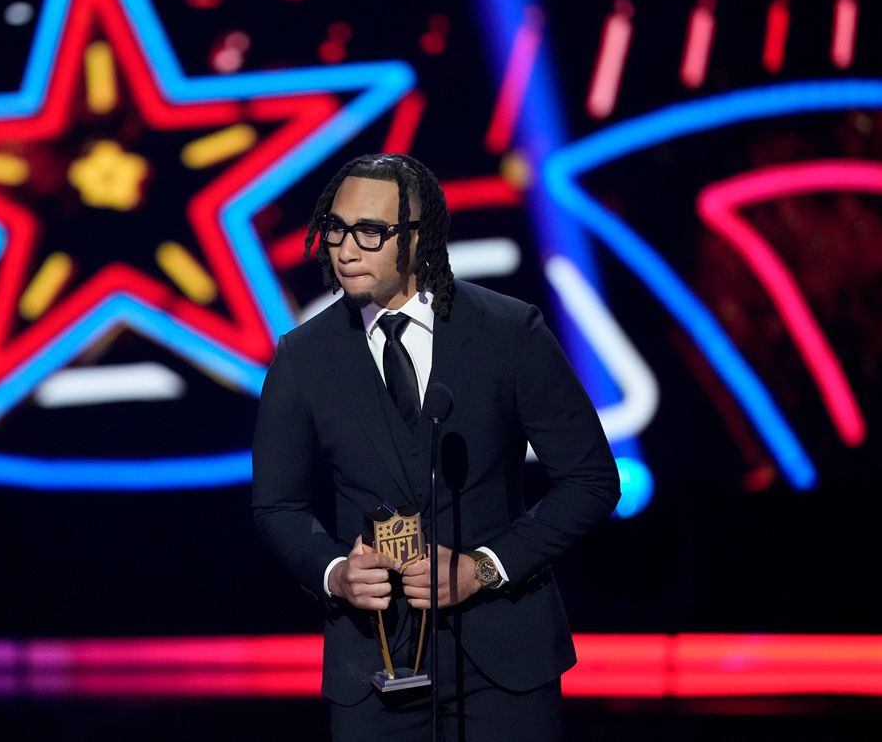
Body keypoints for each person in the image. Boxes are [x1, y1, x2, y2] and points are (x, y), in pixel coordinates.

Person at [252, 153, 621, 741]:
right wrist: (334, 573)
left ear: (419, 239)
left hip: (504, 665)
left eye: (370, 232)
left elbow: (592, 482)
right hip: (373, 663)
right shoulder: (303, 357)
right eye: (336, 229)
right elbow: (277, 506)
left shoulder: (508, 332)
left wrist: (485, 568)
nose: (345, 249)